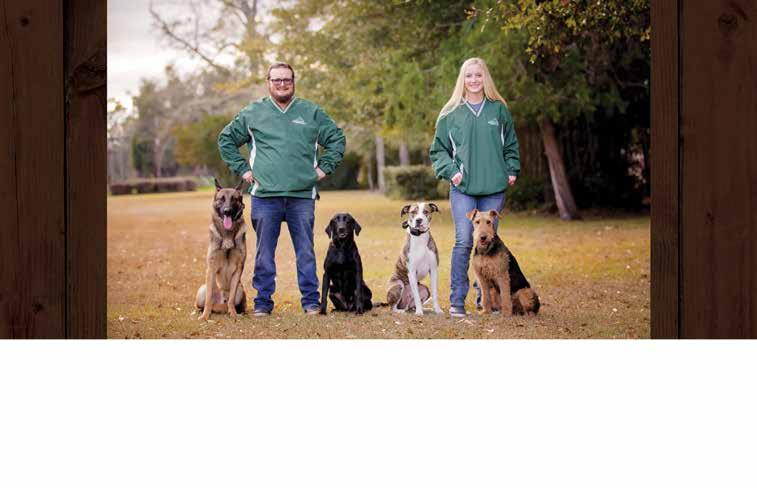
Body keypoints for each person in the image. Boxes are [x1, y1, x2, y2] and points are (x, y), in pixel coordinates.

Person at [218, 62, 346, 316]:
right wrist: (244, 170)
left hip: (302, 195)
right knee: (264, 253)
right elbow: (226, 140)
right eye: (276, 80)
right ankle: (263, 303)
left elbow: (337, 139)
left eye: (287, 79)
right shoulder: (253, 112)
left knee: (305, 252)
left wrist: (322, 169)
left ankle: (311, 302)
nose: (282, 84)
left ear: (293, 82)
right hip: (265, 196)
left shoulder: (311, 112)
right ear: (268, 82)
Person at [429, 57, 521, 317]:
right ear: (462, 79)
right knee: (463, 241)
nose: (473, 80)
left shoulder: (498, 110)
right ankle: (457, 302)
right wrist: (452, 172)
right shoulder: (450, 113)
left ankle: (487, 302)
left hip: (493, 187)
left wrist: (511, 168)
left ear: (485, 78)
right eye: (468, 76)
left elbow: (511, 144)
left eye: (478, 75)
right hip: (463, 188)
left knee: (488, 243)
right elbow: (438, 151)